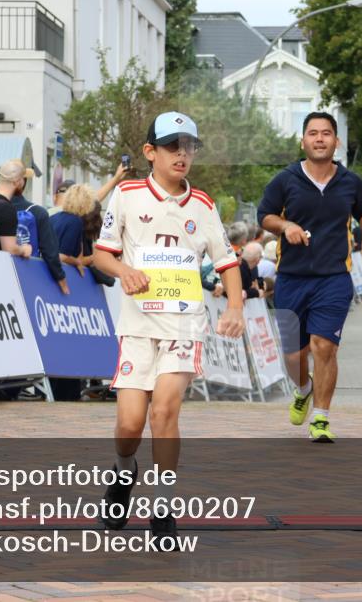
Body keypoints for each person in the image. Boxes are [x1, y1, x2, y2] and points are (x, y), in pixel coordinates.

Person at [92, 111, 244, 547]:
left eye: (189, 147)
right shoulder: (126, 195)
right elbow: (102, 254)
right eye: (173, 145)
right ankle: (124, 473)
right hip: (138, 325)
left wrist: (234, 305)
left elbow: (227, 262)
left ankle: (163, 507)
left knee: (164, 413)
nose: (182, 154)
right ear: (150, 152)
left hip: (183, 325)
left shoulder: (204, 205)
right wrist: (124, 271)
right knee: (129, 425)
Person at [258, 111, 362, 443]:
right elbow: (264, 216)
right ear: (303, 141)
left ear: (336, 141)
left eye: (326, 133)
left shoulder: (349, 181)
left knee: (324, 346)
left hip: (333, 279)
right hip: (292, 278)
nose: (319, 138)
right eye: (313, 133)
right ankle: (304, 389)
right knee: (294, 356)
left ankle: (322, 417)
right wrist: (287, 227)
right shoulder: (285, 179)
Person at [1, 159, 68, 290]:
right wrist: (61, 279)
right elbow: (50, 252)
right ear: (22, 182)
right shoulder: (38, 212)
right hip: (30, 279)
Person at [0, 161, 38, 260]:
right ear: (17, 182)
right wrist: (24, 249)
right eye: (23, 179)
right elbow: (9, 249)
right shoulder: (7, 209)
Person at [50, 183, 96, 275]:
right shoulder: (75, 221)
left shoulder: (53, 218)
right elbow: (63, 256)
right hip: (63, 274)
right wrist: (78, 262)